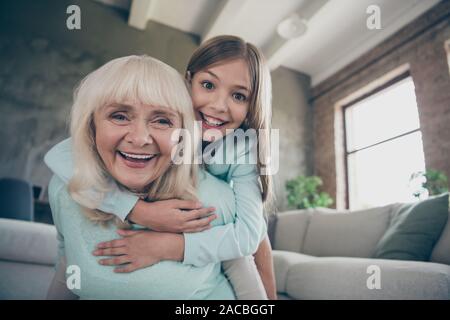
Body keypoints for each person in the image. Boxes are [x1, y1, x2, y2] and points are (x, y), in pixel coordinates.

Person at [46, 36, 277, 300]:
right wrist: (138, 211)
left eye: (238, 95)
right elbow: (62, 156)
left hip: (229, 214)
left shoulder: (243, 149)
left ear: (251, 107)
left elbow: (250, 236)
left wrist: (170, 246)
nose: (217, 105)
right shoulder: (166, 105)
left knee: (250, 247)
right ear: (187, 82)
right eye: (208, 85)